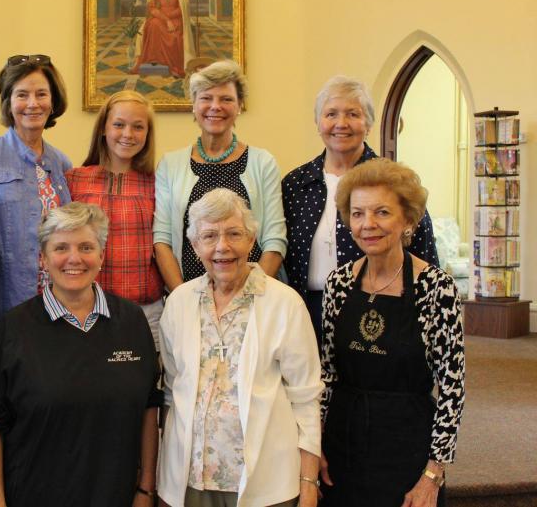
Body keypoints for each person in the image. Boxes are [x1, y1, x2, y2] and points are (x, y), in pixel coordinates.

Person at [0, 202, 162, 507]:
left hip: (116, 496)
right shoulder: (12, 329)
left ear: (102, 256)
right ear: (43, 259)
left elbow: (149, 409)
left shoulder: (131, 321)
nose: (74, 258)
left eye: (86, 247)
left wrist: (145, 490)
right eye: (61, 247)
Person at [158, 188, 322, 507]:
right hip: (189, 482)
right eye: (209, 236)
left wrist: (309, 484)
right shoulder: (178, 303)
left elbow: (306, 399)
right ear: (194, 246)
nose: (222, 247)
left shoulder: (284, 303)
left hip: (267, 483)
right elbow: (171, 392)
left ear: (251, 240)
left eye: (234, 233)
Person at [319, 158, 465, 507]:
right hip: (343, 443)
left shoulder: (436, 288)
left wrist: (433, 473)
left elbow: (452, 388)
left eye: (382, 212)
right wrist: (317, 444)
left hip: (407, 448)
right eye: (357, 213)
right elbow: (327, 372)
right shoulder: (338, 283)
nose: (367, 224)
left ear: (408, 220)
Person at [282, 76, 439, 344]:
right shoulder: (295, 184)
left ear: (368, 124)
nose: (341, 124)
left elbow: (421, 247)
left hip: (377, 305)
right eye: (331, 114)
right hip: (306, 309)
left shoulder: (393, 180)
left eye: (353, 114)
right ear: (318, 122)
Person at [154, 60, 287, 292]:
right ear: (193, 106)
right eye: (206, 98)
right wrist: (182, 299)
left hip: (253, 296)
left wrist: (247, 297)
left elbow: (275, 240)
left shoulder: (262, 162)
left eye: (226, 99)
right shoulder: (170, 165)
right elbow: (162, 240)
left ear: (239, 106)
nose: (215, 106)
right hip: (188, 295)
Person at [0, 54, 72, 318]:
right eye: (22, 95)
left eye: (41, 94)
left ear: (53, 101)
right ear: (8, 103)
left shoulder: (61, 163)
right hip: (4, 306)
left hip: (56, 304)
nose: (33, 104)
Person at [66, 90, 164, 347]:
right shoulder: (74, 180)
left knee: (143, 384)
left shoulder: (158, 182)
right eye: (119, 124)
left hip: (145, 310)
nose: (128, 134)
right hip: (86, 309)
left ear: (147, 134)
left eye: (138, 127)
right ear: (103, 128)